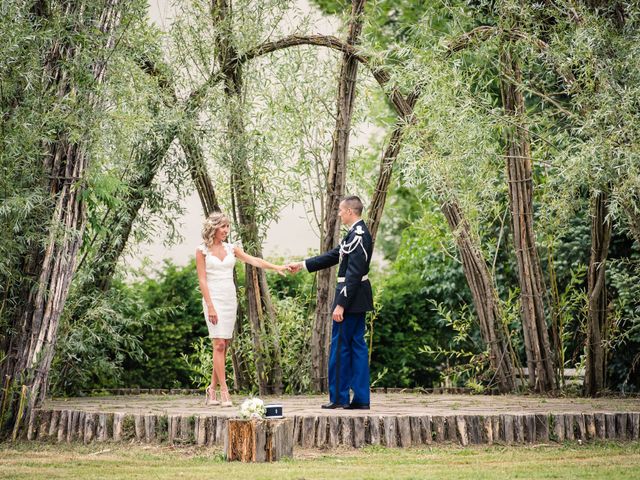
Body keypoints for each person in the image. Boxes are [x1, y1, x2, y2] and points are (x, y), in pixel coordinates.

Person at [287, 196, 373, 409]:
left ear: (351, 212)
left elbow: (354, 274)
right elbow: (334, 256)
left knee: (341, 347)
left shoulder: (359, 235)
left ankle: (339, 398)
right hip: (356, 297)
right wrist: (303, 264)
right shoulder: (355, 234)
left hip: (350, 299)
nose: (339, 214)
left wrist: (341, 304)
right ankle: (360, 399)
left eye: (341, 211)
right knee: (356, 346)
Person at [196, 212, 287, 406]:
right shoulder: (201, 250)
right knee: (219, 343)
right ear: (213, 228)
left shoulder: (231, 249)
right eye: (223, 227)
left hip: (229, 299)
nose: (226, 231)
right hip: (213, 299)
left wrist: (276, 267)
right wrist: (210, 305)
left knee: (224, 344)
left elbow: (254, 260)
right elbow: (202, 279)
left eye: (228, 227)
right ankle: (224, 392)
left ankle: (211, 389)